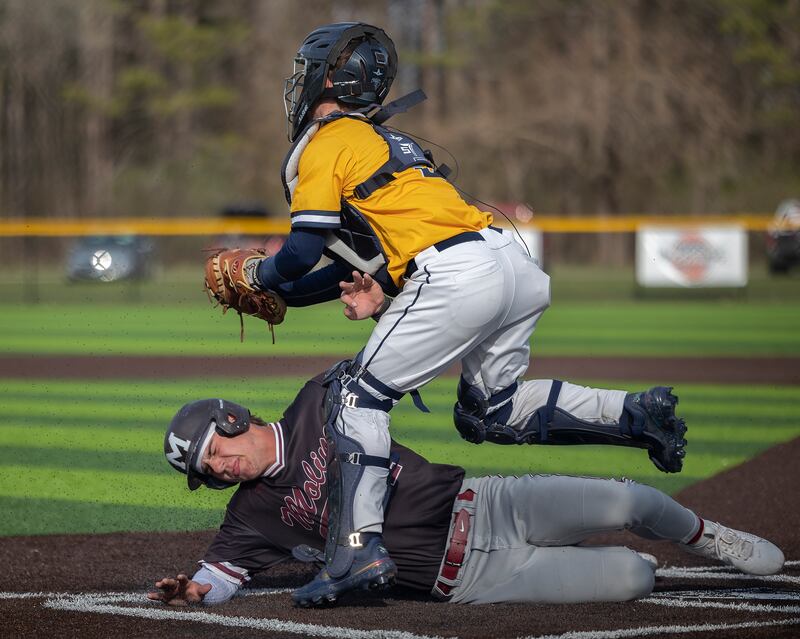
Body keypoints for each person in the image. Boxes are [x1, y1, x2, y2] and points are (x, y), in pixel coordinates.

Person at [229, 21, 688, 605]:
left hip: (456, 271)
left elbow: (299, 249)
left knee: (354, 397)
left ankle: (355, 551)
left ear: (328, 79)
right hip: (507, 261)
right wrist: (286, 295)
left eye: (303, 74)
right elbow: (362, 263)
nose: (297, 86)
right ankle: (634, 415)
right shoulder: (394, 146)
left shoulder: (326, 141)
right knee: (488, 413)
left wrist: (255, 276)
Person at [149, 372, 782, 608]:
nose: (219, 468)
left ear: (231, 419)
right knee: (633, 580)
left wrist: (373, 292)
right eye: (206, 471)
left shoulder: (322, 400)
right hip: (471, 583)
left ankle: (710, 537)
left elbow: (392, 354)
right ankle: (625, 560)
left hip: (486, 505)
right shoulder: (249, 517)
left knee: (631, 502)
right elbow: (221, 575)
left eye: (213, 452)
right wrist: (192, 591)